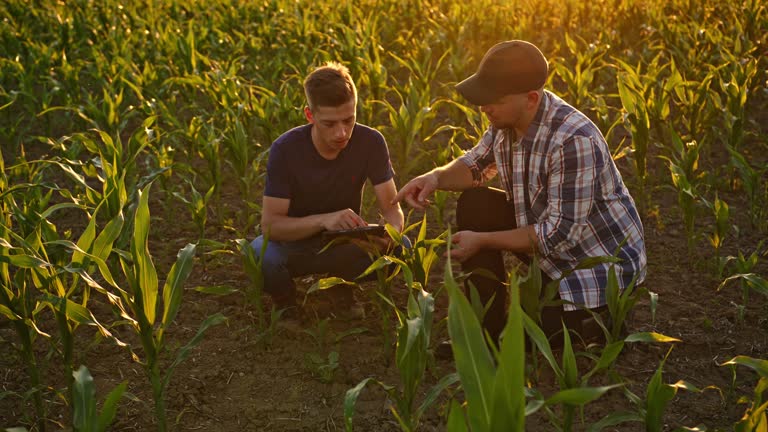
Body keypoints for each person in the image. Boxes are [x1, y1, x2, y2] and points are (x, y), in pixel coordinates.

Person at [393, 40, 646, 348]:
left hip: (593, 264)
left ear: (531, 99)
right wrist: (434, 177)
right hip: (549, 247)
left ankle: (603, 318)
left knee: (536, 338)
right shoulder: (506, 121)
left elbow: (558, 236)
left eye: (493, 99)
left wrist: (483, 240)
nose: (484, 107)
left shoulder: (574, 140)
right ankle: (484, 330)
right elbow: (477, 165)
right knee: (477, 203)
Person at [253, 62, 404, 317]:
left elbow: (392, 209)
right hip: (294, 245)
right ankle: (285, 302)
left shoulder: (371, 142)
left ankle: (340, 289)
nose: (341, 132)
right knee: (260, 254)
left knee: (403, 247)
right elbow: (270, 226)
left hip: (344, 245)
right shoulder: (286, 149)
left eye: (349, 120)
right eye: (329, 124)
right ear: (310, 116)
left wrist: (390, 233)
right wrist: (325, 220)